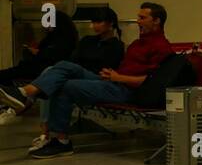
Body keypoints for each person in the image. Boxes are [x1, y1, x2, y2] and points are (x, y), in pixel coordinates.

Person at [0, 3, 171, 159]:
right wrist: (113, 74)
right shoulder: (136, 44)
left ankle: (60, 140)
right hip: (113, 81)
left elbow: (152, 81)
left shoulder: (162, 47)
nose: (138, 21)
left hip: (127, 90)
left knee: (66, 86)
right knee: (64, 65)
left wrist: (118, 77)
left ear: (156, 21)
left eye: (142, 18)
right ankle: (24, 94)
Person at [23, 8, 126, 151]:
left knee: (61, 69)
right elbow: (74, 59)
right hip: (79, 74)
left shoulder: (117, 46)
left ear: (111, 24)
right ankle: (45, 132)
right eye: (92, 22)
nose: (94, 26)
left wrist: (79, 68)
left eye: (98, 22)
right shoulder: (87, 40)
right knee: (52, 73)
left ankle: (26, 96)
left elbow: (105, 70)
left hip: (97, 79)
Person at [0, 9, 77, 85]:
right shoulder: (54, 36)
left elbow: (55, 55)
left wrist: (38, 52)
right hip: (40, 66)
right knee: (12, 73)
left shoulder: (64, 39)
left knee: (11, 73)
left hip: (46, 68)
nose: (47, 26)